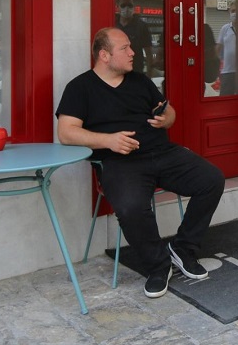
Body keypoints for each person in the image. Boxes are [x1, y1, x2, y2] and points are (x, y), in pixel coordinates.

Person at [57, 27, 224, 298]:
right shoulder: (80, 88)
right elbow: (66, 132)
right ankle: (157, 265)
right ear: (104, 55)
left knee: (212, 179)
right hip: (120, 162)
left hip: (163, 152)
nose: (133, 52)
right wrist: (108, 141)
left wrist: (165, 119)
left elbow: (169, 112)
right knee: (131, 207)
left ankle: (182, 249)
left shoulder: (139, 80)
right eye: (124, 48)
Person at [115, 0, 153, 75]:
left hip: (136, 71)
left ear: (133, 7)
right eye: (123, 5)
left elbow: (149, 53)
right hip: (115, 71)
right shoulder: (112, 24)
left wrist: (149, 75)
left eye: (130, 5)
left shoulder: (142, 26)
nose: (127, 8)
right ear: (117, 7)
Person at [216, 2, 238, 95]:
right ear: (229, 12)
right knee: (225, 99)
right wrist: (218, 68)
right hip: (228, 72)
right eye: (233, 11)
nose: (235, 13)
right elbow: (218, 49)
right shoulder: (225, 29)